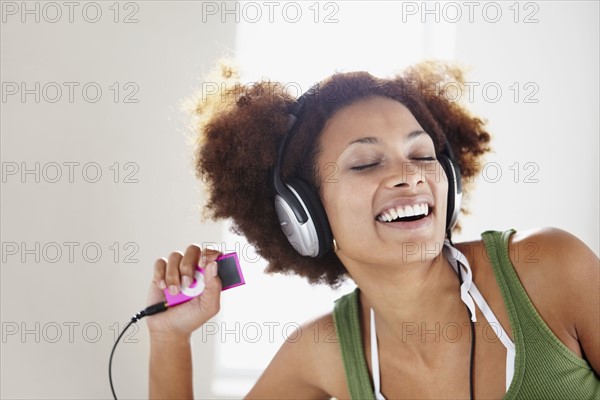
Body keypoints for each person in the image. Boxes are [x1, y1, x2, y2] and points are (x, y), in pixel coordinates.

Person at [146, 61, 599, 399]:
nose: (411, 175)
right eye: (365, 163)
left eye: (422, 155)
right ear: (305, 216)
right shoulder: (323, 351)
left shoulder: (549, 268)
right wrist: (170, 337)